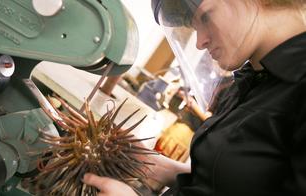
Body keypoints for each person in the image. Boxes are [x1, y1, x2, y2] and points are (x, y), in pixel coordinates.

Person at [83, 0, 306, 195]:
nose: (199, 42)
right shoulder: (252, 81)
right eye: (194, 26)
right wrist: (160, 167)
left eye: (206, 17)